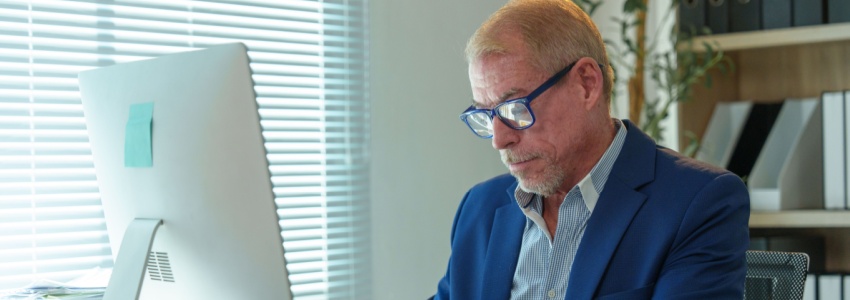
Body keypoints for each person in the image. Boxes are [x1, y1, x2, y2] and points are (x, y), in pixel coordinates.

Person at [433, 0, 750, 299]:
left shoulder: (697, 203)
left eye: (515, 110)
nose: (499, 140)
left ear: (586, 84)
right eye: (486, 116)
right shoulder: (479, 211)